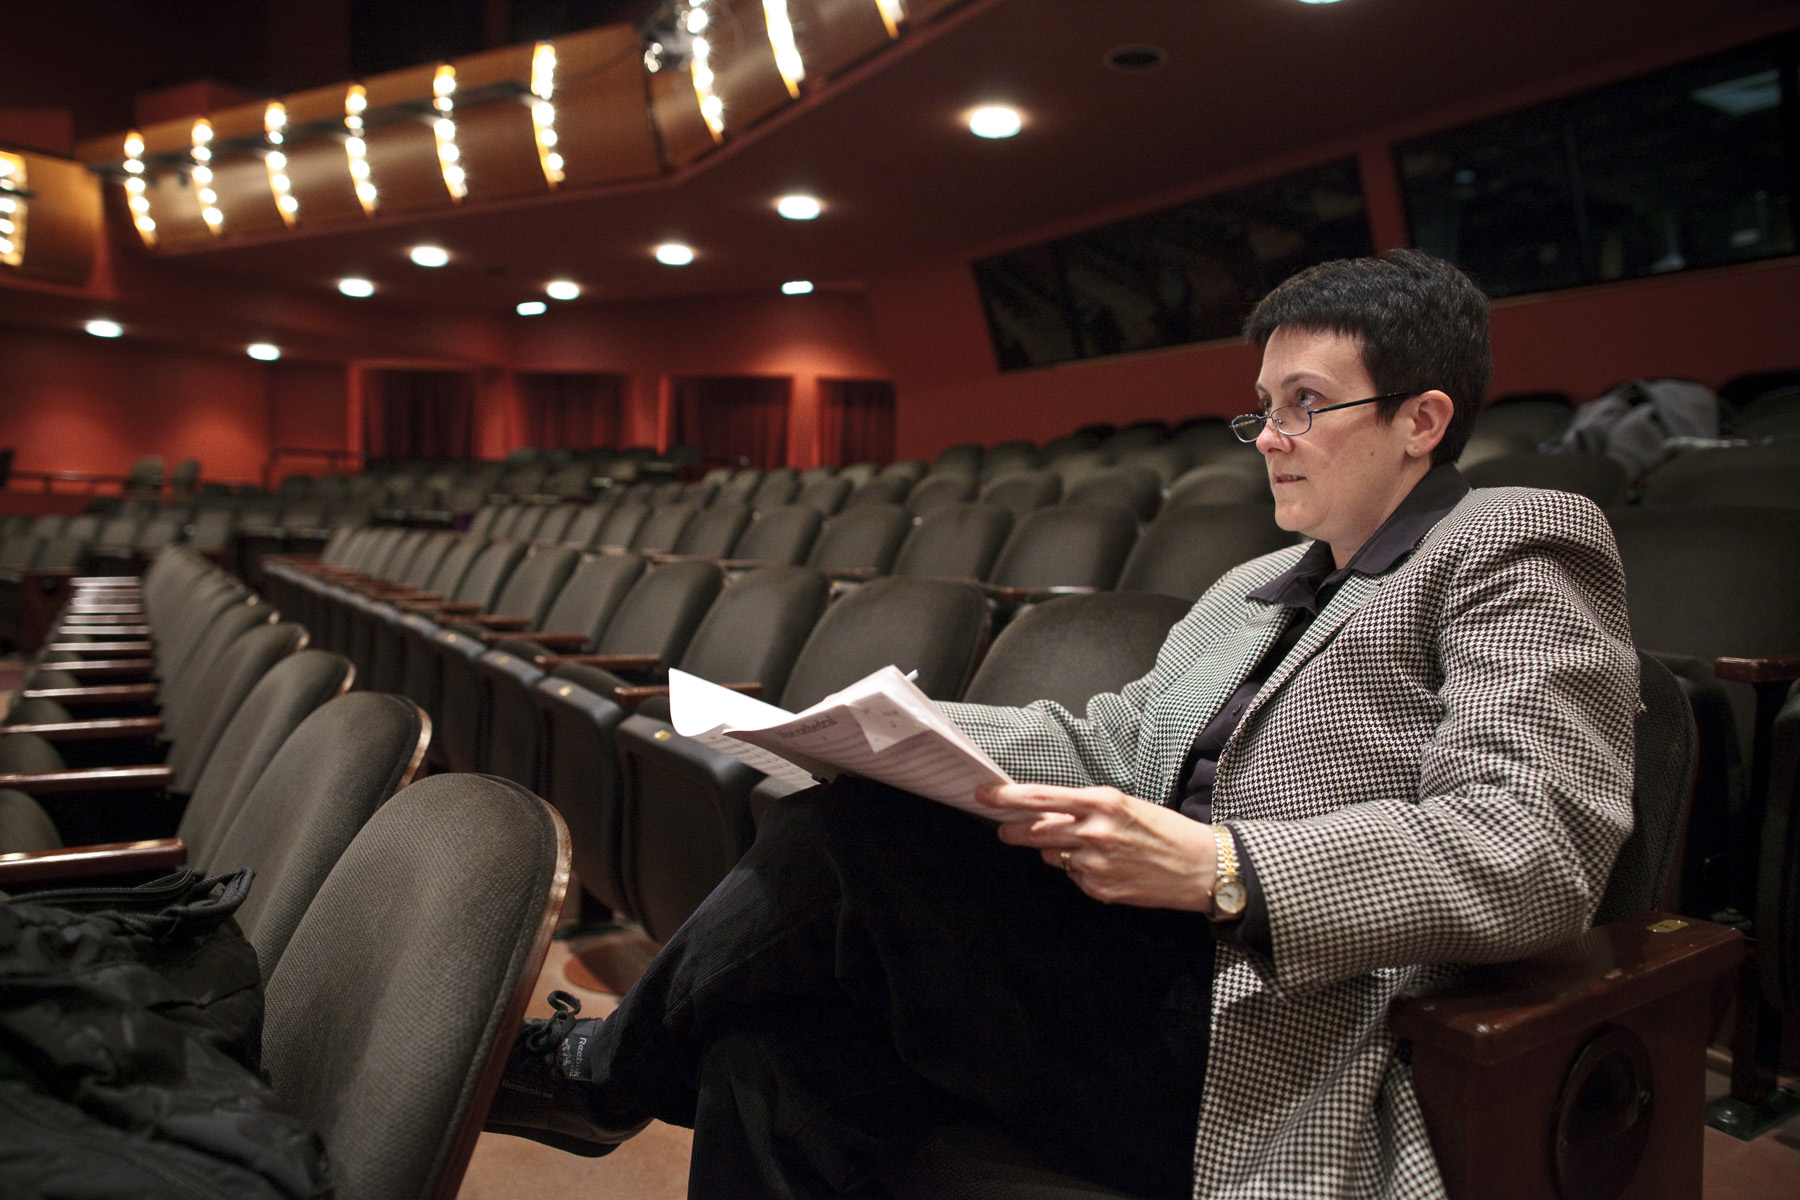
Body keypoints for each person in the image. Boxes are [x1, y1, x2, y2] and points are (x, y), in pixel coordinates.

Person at [484, 249, 1639, 1200]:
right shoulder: (1251, 588)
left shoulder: (1515, 544)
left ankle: (599, 1075)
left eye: (1306, 405)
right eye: (1263, 407)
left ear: (1422, 419)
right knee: (771, 1038)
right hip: (1119, 962)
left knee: (849, 846)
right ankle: (606, 1072)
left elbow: (1535, 843)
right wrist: (870, 728)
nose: (1269, 435)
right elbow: (1115, 740)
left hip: (1274, 1018)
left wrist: (1227, 867)